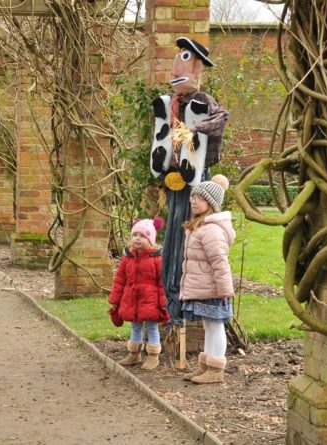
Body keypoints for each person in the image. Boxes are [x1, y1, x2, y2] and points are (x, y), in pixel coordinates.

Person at [149, 37, 229, 325]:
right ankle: (169, 303)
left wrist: (195, 131)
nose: (174, 73)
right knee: (171, 238)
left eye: (183, 62)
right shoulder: (171, 104)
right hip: (173, 182)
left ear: (198, 69)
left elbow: (222, 118)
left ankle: (184, 305)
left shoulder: (203, 101)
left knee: (189, 239)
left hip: (194, 181)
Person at [179, 175, 235, 384]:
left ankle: (216, 369)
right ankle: (206, 366)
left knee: (215, 325)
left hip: (213, 289)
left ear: (210, 203)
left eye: (199, 198)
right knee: (208, 326)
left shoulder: (211, 230)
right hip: (204, 287)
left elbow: (219, 262)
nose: (193, 201)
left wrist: (224, 290)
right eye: (193, 197)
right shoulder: (199, 226)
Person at [108, 218, 171, 370]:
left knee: (152, 328)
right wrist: (115, 299)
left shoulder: (157, 259)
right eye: (135, 234)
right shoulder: (128, 257)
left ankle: (153, 356)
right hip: (132, 299)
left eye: (142, 236)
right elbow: (120, 279)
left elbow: (162, 283)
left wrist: (163, 304)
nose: (137, 238)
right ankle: (134, 353)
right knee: (135, 327)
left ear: (151, 239)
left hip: (150, 301)